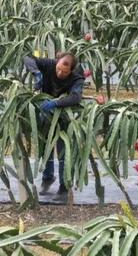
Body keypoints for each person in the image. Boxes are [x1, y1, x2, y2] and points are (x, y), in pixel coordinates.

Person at [23, 52, 85, 202]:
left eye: (64, 72)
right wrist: (37, 73)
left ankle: (64, 187)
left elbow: (75, 97)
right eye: (58, 69)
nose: (59, 73)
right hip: (45, 114)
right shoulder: (49, 65)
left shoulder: (77, 77)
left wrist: (56, 103)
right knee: (45, 146)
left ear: (71, 70)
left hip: (64, 117)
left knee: (63, 150)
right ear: (57, 62)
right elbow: (27, 57)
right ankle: (47, 178)